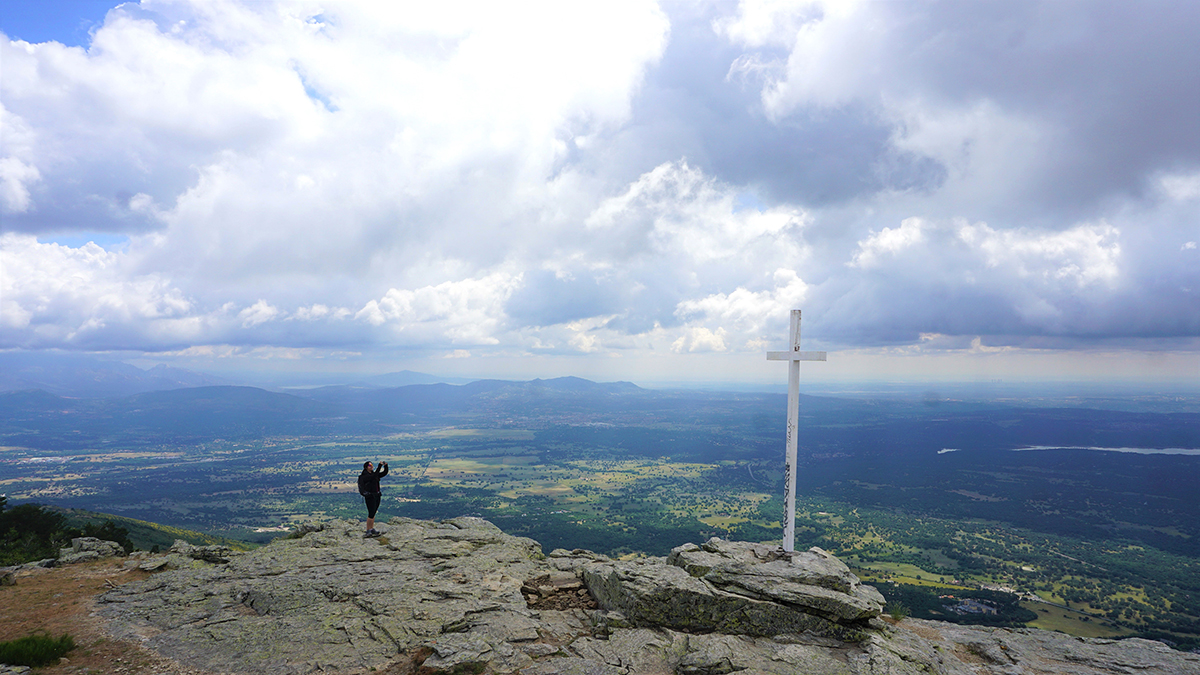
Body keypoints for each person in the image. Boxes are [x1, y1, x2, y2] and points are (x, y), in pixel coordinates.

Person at [358, 460, 389, 537]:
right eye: (369, 465)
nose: (371, 466)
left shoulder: (374, 474)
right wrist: (379, 466)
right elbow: (373, 476)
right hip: (370, 496)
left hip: (377, 495)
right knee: (371, 513)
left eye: (372, 465)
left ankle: (371, 529)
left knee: (374, 512)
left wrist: (385, 466)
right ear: (366, 468)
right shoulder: (364, 476)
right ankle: (368, 530)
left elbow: (384, 473)